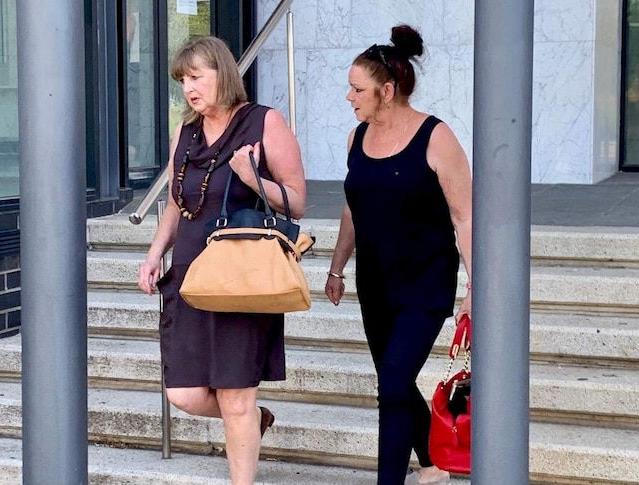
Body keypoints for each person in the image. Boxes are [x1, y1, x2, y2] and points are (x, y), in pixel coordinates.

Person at [137, 36, 306, 485]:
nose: (189, 88)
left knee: (234, 396)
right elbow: (177, 202)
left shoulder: (264, 122)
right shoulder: (185, 132)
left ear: (223, 73)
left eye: (196, 77)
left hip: (242, 279)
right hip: (191, 277)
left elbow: (297, 202)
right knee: (185, 394)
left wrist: (252, 176)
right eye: (182, 81)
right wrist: (155, 254)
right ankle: (255, 420)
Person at [324, 25, 472, 485]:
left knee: (390, 382)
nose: (349, 96)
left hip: (425, 281)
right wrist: (336, 266)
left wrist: (476, 288)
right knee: (396, 381)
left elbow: (465, 216)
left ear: (387, 91)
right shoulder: (356, 139)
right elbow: (354, 205)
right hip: (376, 281)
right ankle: (432, 463)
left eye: (357, 88)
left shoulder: (435, 137)